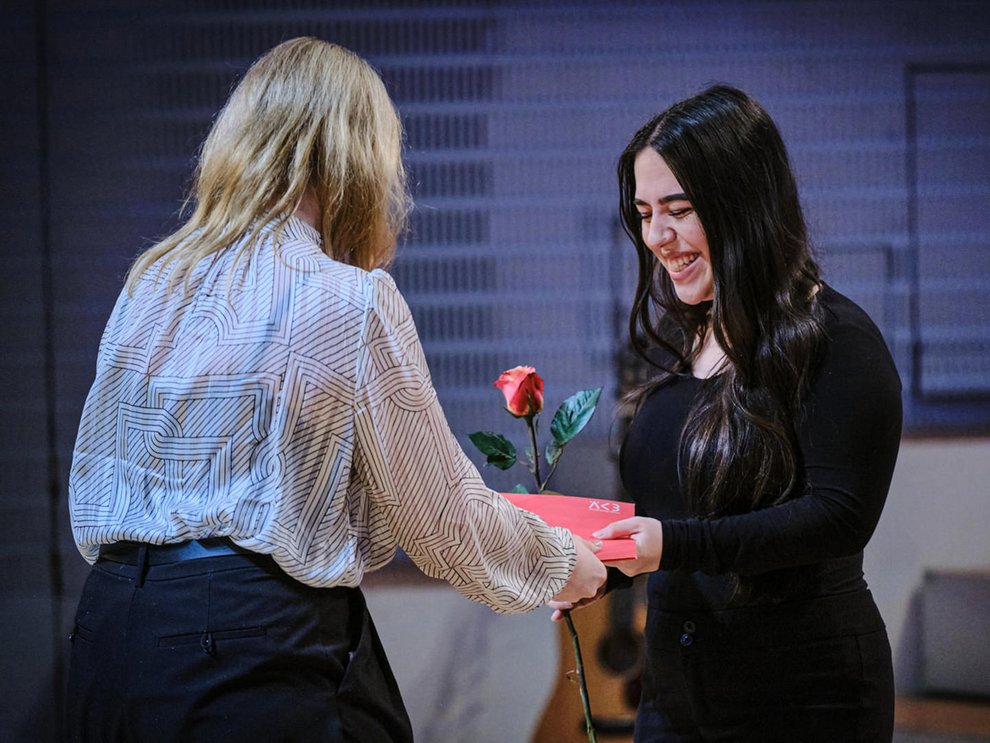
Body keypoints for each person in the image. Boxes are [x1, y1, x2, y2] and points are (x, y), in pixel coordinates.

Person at [66, 37, 606, 743]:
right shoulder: (349, 300)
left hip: (110, 630)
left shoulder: (152, 282)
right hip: (239, 639)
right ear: (357, 160)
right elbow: (442, 520)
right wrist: (565, 562)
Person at [551, 85, 902, 741]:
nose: (658, 236)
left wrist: (671, 545)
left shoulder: (838, 339)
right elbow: (671, 511)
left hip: (805, 700)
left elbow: (838, 514)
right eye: (645, 212)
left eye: (679, 210)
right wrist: (601, 565)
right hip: (673, 701)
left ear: (744, 205)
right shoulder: (686, 339)